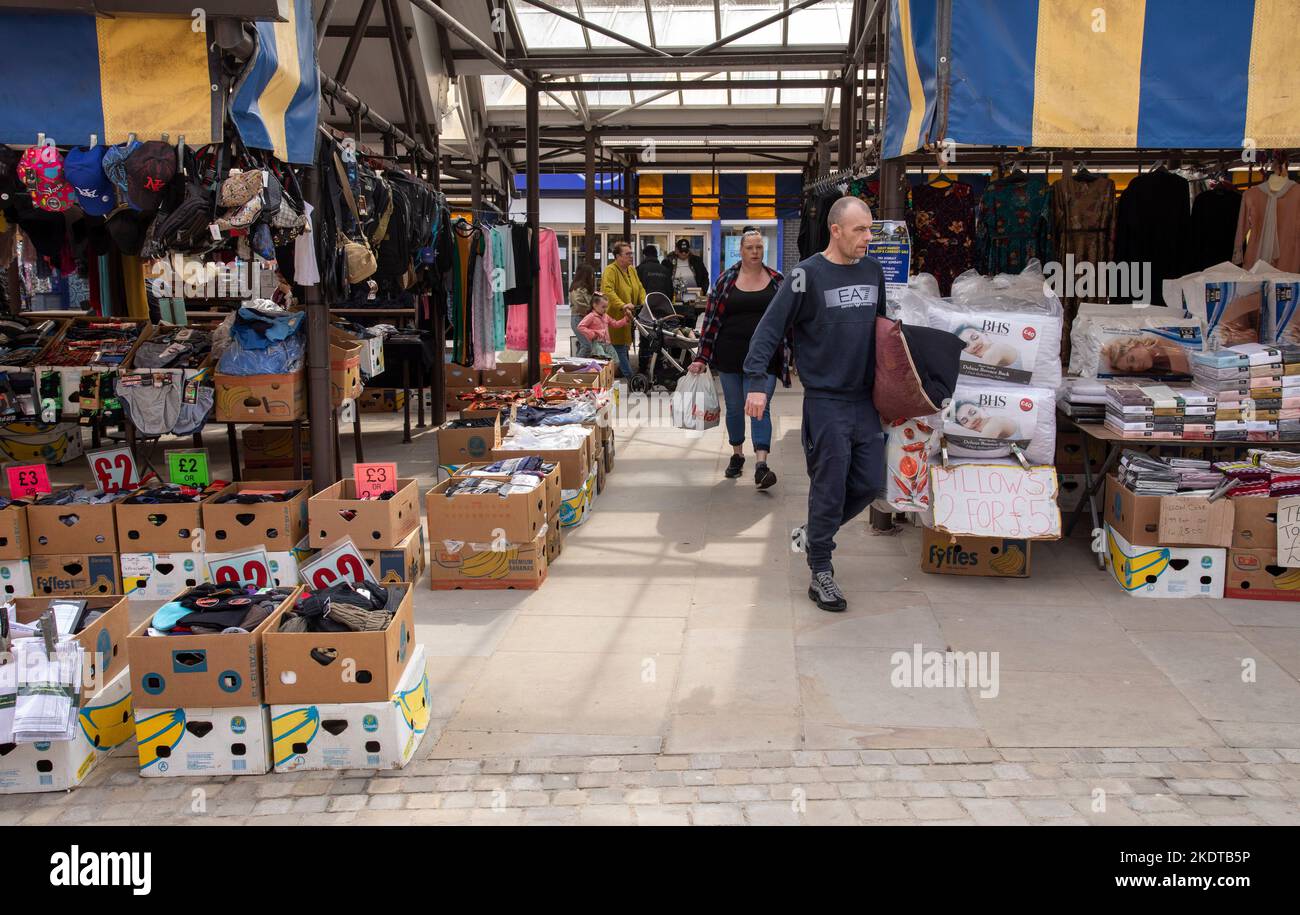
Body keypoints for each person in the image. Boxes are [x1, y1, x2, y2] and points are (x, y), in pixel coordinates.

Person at [744, 196, 885, 613]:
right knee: (829, 487)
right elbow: (769, 329)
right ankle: (820, 567)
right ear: (835, 230)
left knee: (871, 482)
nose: (868, 238)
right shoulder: (806, 276)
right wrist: (755, 382)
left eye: (871, 229)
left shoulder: (874, 271)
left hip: (866, 400)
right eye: (860, 230)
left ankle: (814, 532)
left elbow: (883, 333)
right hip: (826, 402)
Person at [689, 229, 787, 490]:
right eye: (750, 248)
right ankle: (737, 453)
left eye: (759, 247)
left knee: (760, 407)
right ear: (740, 251)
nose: (755, 252)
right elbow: (710, 322)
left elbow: (789, 319)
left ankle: (762, 464)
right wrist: (702, 357)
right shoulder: (725, 281)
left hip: (765, 358)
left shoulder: (777, 280)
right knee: (734, 407)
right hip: (730, 355)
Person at [600, 240, 645, 378]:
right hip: (615, 316)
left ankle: (621, 373)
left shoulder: (631, 269)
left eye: (631, 253)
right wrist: (622, 305)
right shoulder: (610, 270)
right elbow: (608, 291)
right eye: (627, 254)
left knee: (624, 346)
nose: (631, 256)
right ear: (617, 256)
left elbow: (640, 287)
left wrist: (645, 302)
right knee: (619, 347)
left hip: (629, 316)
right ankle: (631, 378)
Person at [1101, 334, 1192, 376]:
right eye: (1131, 368)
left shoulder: (1165, 342)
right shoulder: (1155, 372)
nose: (1136, 366)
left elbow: (1182, 372)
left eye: (1132, 359)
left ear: (1136, 344)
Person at [576, 293, 627, 361]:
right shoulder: (591, 316)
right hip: (597, 344)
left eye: (606, 307)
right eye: (603, 307)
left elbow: (615, 324)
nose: (605, 309)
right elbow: (580, 327)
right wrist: (593, 334)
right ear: (594, 305)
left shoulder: (606, 316)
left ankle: (610, 371)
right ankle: (600, 371)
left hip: (608, 344)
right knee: (602, 360)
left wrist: (625, 319)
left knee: (615, 361)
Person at [569, 262, 596, 357]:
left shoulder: (581, 288)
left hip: (580, 319)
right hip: (579, 318)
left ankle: (578, 366)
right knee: (586, 346)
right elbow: (579, 304)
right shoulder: (579, 289)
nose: (593, 277)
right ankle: (576, 368)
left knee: (584, 345)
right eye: (592, 274)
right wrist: (592, 310)